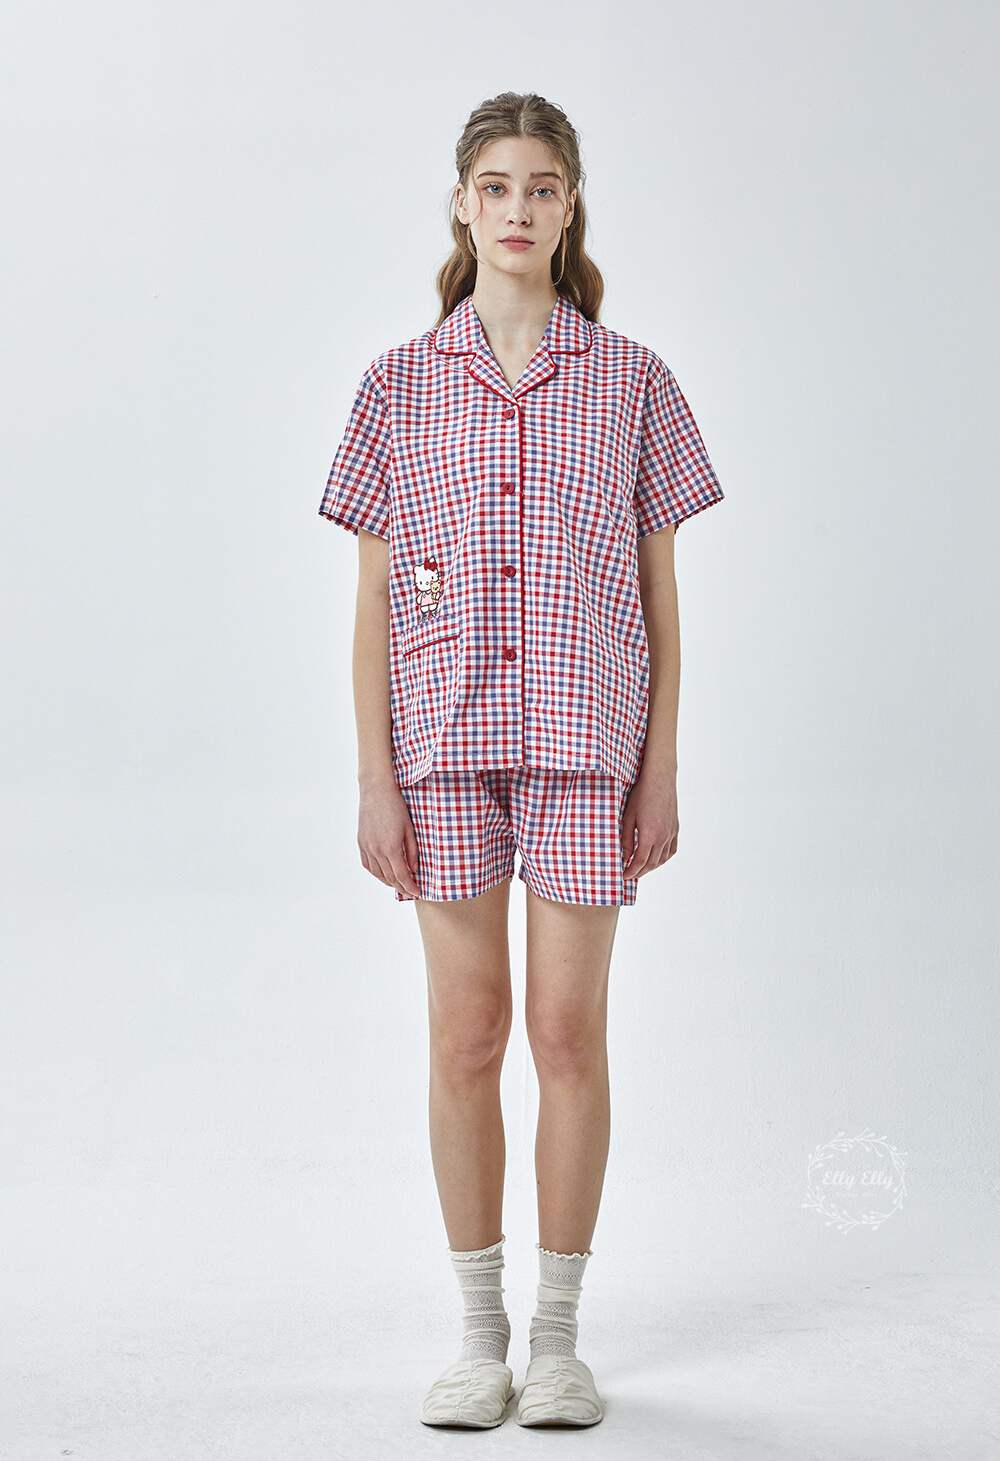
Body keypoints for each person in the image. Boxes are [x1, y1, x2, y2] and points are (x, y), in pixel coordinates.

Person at [318, 91, 725, 1429]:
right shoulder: (397, 384)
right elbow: (375, 602)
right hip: (441, 749)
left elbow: (661, 594)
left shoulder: (633, 380)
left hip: (584, 751)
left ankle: (557, 1341)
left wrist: (660, 769)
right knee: (465, 1035)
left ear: (570, 207)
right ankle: (478, 1335)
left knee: (564, 1032)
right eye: (494, 186)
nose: (516, 207)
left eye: (541, 186)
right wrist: (375, 779)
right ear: (461, 205)